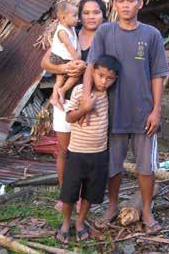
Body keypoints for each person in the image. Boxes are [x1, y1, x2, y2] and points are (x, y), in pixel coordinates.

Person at [83, 0, 169, 234]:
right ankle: (111, 206)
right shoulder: (105, 32)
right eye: (120, 1)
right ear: (114, 5)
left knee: (146, 167)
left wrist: (156, 110)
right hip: (111, 111)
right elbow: (91, 66)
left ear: (139, 4)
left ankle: (147, 211)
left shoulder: (151, 34)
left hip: (143, 113)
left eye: (130, 0)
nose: (125, 5)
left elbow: (158, 74)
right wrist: (87, 98)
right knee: (112, 166)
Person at [41, 0, 107, 211]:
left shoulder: (108, 37)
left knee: (86, 153)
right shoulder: (70, 32)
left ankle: (83, 197)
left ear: (103, 14)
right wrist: (63, 70)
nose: (90, 17)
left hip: (92, 104)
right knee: (64, 150)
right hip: (66, 100)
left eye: (95, 12)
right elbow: (45, 62)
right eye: (85, 13)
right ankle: (66, 195)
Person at [55, 55, 120, 244]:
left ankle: (81, 222)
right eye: (100, 75)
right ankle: (66, 223)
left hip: (99, 154)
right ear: (92, 72)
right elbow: (69, 118)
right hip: (77, 153)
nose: (104, 81)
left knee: (90, 194)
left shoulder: (109, 94)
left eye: (109, 78)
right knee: (69, 193)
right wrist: (85, 108)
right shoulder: (80, 91)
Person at [49, 2, 80, 110]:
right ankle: (61, 91)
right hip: (59, 58)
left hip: (63, 58)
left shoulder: (71, 28)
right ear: (63, 17)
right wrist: (76, 59)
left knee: (60, 80)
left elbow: (75, 42)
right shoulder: (62, 31)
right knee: (75, 74)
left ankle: (55, 98)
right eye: (75, 16)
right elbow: (69, 45)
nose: (78, 19)